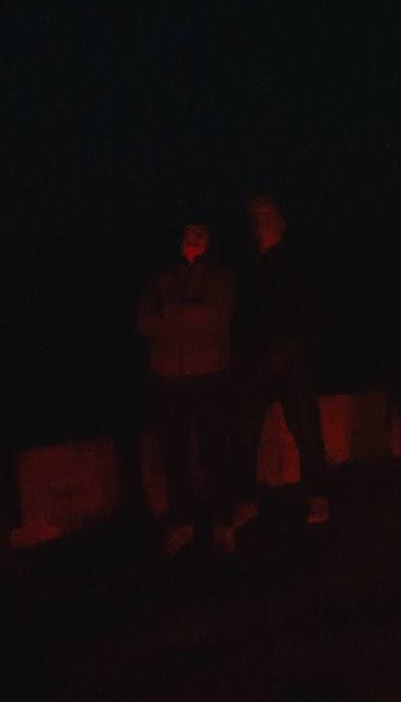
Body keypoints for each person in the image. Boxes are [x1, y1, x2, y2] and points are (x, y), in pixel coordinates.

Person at [137, 221, 237, 553]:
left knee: (215, 451)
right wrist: (192, 316)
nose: (193, 239)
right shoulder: (160, 278)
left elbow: (217, 317)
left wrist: (170, 314)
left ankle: (223, 522)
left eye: (201, 234)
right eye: (188, 233)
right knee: (174, 454)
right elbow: (144, 321)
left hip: (209, 375)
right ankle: (182, 523)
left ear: (210, 241)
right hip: (167, 378)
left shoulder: (221, 277)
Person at [231, 196, 330, 529]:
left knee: (306, 429)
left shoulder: (298, 262)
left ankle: (317, 495)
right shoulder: (241, 263)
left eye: (267, 215)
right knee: (244, 432)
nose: (260, 221)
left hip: (293, 360)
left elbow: (315, 310)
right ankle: (246, 499)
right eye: (255, 216)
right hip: (251, 360)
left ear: (282, 221)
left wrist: (298, 348)